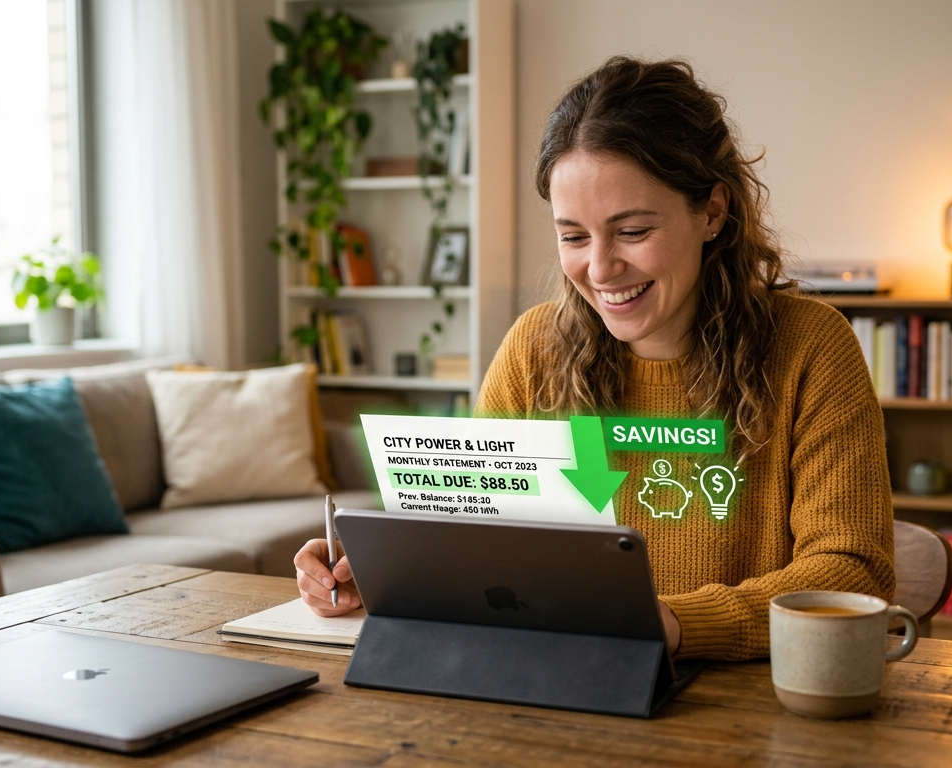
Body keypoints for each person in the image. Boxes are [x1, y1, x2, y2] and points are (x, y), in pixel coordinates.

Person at [294, 56, 894, 661]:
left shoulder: (813, 349)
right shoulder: (533, 350)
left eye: (632, 231)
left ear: (712, 211)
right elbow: (475, 547)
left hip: (748, 706)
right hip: (555, 686)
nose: (601, 269)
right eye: (574, 236)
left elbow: (852, 569)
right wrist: (377, 575)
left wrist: (675, 625)